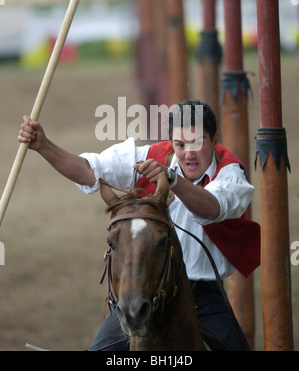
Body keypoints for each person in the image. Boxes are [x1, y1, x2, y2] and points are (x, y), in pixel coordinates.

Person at [18, 99, 260, 351]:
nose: (188, 153)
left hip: (203, 296)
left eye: (197, 142)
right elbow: (89, 171)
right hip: (145, 288)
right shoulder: (149, 157)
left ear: (214, 139)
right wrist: (43, 146)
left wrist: (172, 179)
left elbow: (212, 207)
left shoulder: (231, 172)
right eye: (180, 144)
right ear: (171, 142)